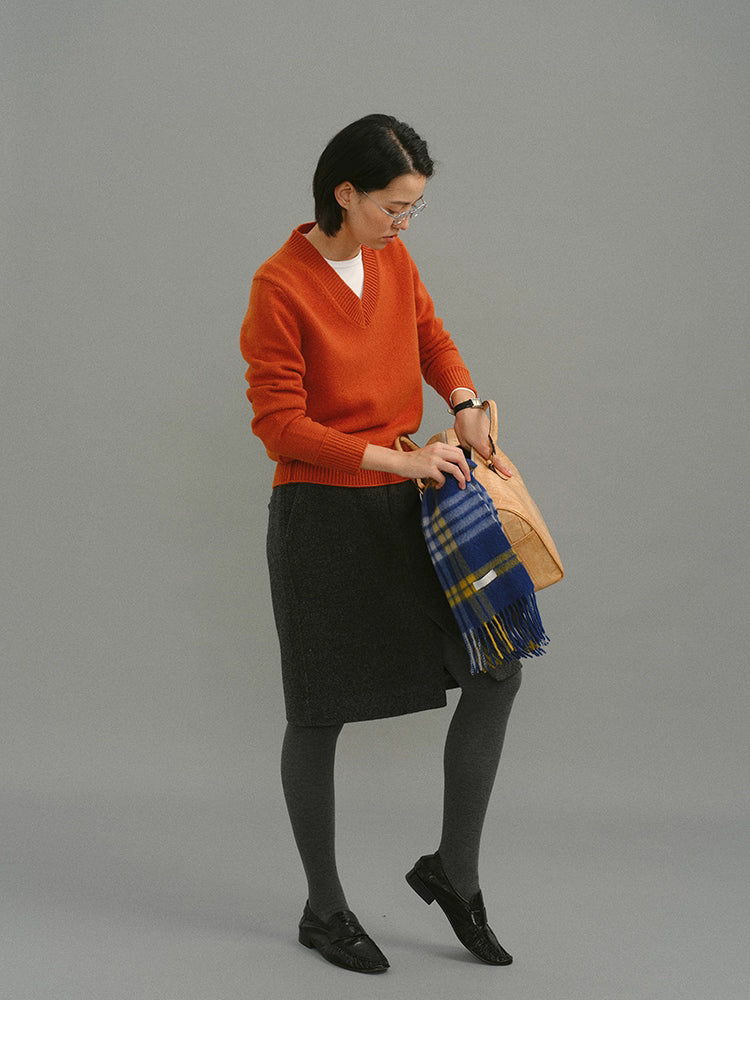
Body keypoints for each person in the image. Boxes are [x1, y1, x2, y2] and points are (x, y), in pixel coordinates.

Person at [240, 114, 523, 974]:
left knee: (497, 664)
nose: (405, 224)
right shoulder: (279, 284)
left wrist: (466, 396)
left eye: (416, 210)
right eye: (394, 207)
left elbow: (430, 335)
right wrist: (397, 458)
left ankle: (454, 871)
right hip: (322, 517)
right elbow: (279, 425)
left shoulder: (393, 258)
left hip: (411, 497)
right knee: (318, 712)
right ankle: (324, 910)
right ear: (345, 193)